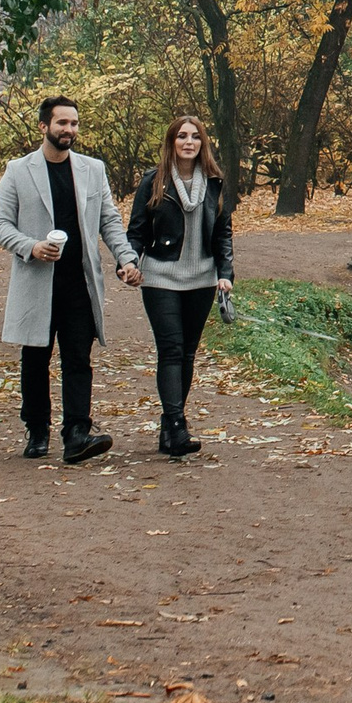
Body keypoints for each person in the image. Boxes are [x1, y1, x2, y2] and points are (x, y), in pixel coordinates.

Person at [0, 97, 139, 463]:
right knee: (35, 359)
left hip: (79, 284)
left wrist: (126, 258)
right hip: (37, 282)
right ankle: (37, 431)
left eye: (73, 124)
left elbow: (109, 221)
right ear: (44, 127)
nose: (69, 130)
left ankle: (76, 433)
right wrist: (31, 246)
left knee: (78, 359)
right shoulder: (19, 170)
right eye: (61, 123)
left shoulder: (92, 170)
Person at [128, 115, 235, 458]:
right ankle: (177, 425)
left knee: (187, 352)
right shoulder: (154, 181)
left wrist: (225, 272)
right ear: (171, 142)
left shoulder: (215, 182)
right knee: (171, 350)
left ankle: (169, 426)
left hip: (202, 279)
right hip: (160, 277)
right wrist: (128, 262)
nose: (188, 142)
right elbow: (136, 231)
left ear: (202, 144)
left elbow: (223, 234)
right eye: (182, 137)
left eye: (195, 137)